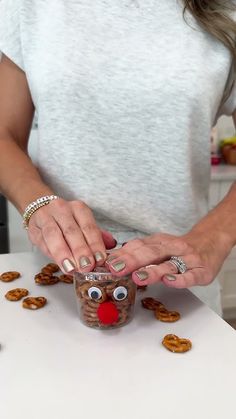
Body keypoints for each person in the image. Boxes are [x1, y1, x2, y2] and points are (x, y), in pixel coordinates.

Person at [0, 0, 236, 316]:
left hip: (181, 286)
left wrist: (214, 236)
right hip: (61, 283)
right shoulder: (28, 5)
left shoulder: (226, 9)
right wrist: (37, 203)